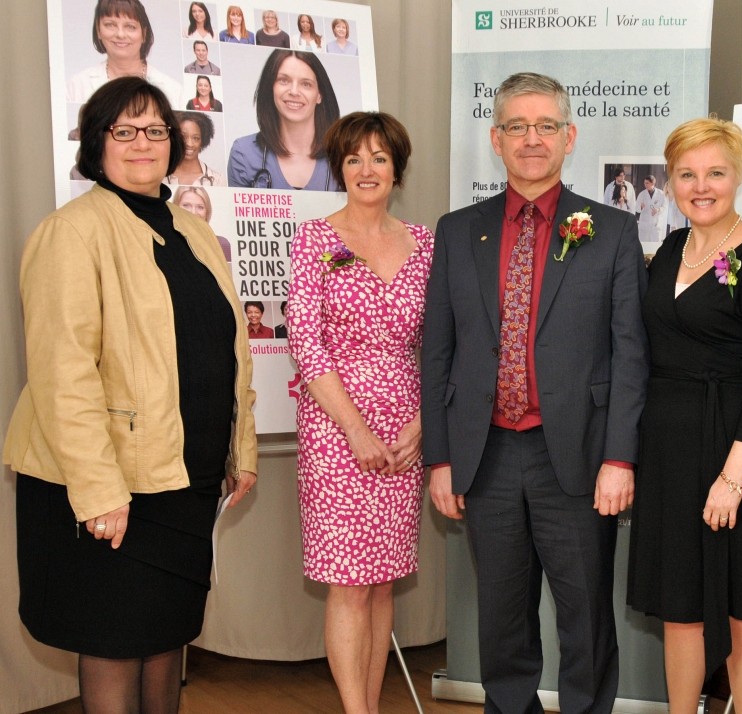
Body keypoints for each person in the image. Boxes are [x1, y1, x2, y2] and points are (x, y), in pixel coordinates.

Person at [3, 77, 256, 714]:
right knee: (114, 641)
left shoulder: (194, 233)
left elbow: (231, 352)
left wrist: (239, 450)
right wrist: (98, 491)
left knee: (167, 635)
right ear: (96, 145)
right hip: (109, 485)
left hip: (184, 477)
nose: (142, 143)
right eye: (124, 130)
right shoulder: (72, 232)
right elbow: (64, 375)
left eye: (155, 130)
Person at [422, 72, 648, 714]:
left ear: (569, 136)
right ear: (495, 139)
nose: (531, 138)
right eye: (517, 126)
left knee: (585, 617)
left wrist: (620, 457)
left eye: (545, 125)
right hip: (485, 454)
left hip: (575, 456)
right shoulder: (458, 230)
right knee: (501, 618)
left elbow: (631, 353)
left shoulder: (611, 229)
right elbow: (437, 351)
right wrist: (440, 459)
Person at [626, 118, 742, 714]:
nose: (702, 186)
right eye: (687, 174)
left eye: (715, 173)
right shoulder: (670, 248)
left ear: (738, 177)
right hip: (669, 450)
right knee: (681, 607)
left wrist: (734, 477)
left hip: (737, 451)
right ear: (670, 181)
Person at [286, 111, 431, 713]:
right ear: (338, 169)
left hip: (407, 429)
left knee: (383, 580)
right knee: (348, 584)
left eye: (378, 158)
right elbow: (306, 343)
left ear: (396, 168)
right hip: (334, 430)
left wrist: (422, 427)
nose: (366, 169)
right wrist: (355, 430)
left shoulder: (426, 243)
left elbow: (445, 343)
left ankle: (370, 705)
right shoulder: (314, 241)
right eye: (353, 159)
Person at [228, 50, 341, 191]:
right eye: (284, 80)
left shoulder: (342, 155)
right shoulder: (244, 153)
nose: (294, 91)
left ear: (319, 95)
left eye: (306, 84)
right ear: (271, 88)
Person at [67, 0, 182, 108]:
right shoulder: (77, 85)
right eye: (110, 25)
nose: (120, 34)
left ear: (144, 34)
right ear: (98, 31)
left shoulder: (173, 90)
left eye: (130, 27)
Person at [172, 186, 231, 260]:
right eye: (186, 205)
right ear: (174, 208)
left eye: (200, 207)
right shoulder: (164, 242)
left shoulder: (222, 244)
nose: (193, 212)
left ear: (207, 212)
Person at [166, 112, 224, 186]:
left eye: (196, 138)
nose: (189, 144)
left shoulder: (218, 180)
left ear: (203, 141)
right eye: (183, 137)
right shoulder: (160, 176)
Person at [635, 175, 666, 243]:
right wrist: (640, 207)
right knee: (644, 245)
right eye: (644, 183)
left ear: (653, 183)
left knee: (655, 246)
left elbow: (665, 207)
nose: (645, 185)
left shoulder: (661, 194)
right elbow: (637, 209)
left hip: (656, 224)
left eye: (647, 183)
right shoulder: (642, 194)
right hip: (644, 224)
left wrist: (658, 210)